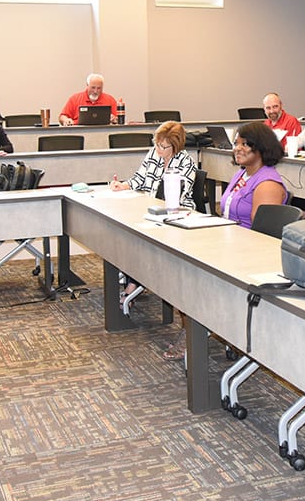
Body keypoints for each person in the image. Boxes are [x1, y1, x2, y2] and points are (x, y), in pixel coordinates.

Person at [109, 121, 198, 359]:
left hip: (178, 216)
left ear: (176, 147)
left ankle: (136, 282)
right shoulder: (153, 153)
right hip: (149, 212)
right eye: (157, 144)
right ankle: (134, 279)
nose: (158, 150)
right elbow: (140, 179)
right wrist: (122, 185)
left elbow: (177, 198)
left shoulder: (185, 162)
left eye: (164, 147)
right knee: (127, 235)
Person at [220, 122, 289, 230]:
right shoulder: (241, 174)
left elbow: (263, 232)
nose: (237, 148)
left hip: (248, 242)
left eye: (245, 144)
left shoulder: (268, 185)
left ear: (262, 147)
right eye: (236, 144)